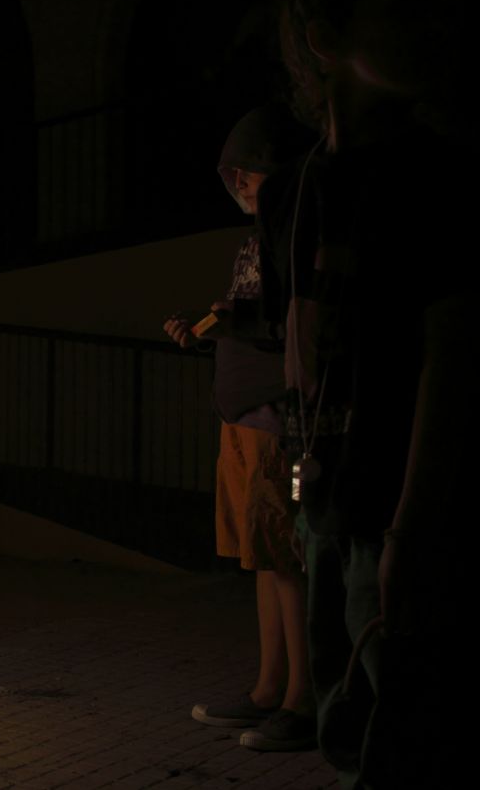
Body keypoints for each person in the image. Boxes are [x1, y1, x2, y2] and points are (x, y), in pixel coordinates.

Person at [256, 0, 472, 784]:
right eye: (402, 11)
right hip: (332, 508)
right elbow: (298, 347)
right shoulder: (291, 195)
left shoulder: (440, 176)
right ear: (324, 36)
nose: (437, 30)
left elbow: (451, 357)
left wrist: (413, 527)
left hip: (404, 512)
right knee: (351, 733)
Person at [164, 107, 315, 751]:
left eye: (249, 170)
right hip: (240, 420)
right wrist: (205, 330)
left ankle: (302, 700)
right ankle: (267, 689)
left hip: (277, 420)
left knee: (285, 558)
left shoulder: (298, 238)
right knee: (263, 560)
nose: (239, 181)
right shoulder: (255, 242)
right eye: (233, 174)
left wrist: (237, 325)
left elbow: (293, 328)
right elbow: (250, 317)